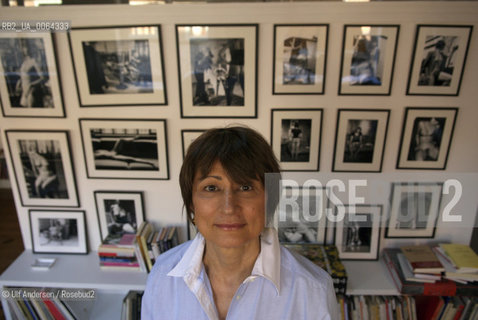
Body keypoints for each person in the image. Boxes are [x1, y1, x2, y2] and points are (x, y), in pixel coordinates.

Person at [142, 126, 338, 320]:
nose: (229, 207)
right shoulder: (161, 275)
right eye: (211, 188)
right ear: (192, 204)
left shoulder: (313, 290)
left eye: (245, 187)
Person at [16, 40, 45, 108]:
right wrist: (19, 82)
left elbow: (43, 78)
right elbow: (23, 75)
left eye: (28, 48)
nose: (26, 50)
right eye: (24, 48)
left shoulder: (34, 61)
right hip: (24, 90)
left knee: (32, 109)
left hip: (31, 91)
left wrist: (32, 85)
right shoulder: (24, 62)